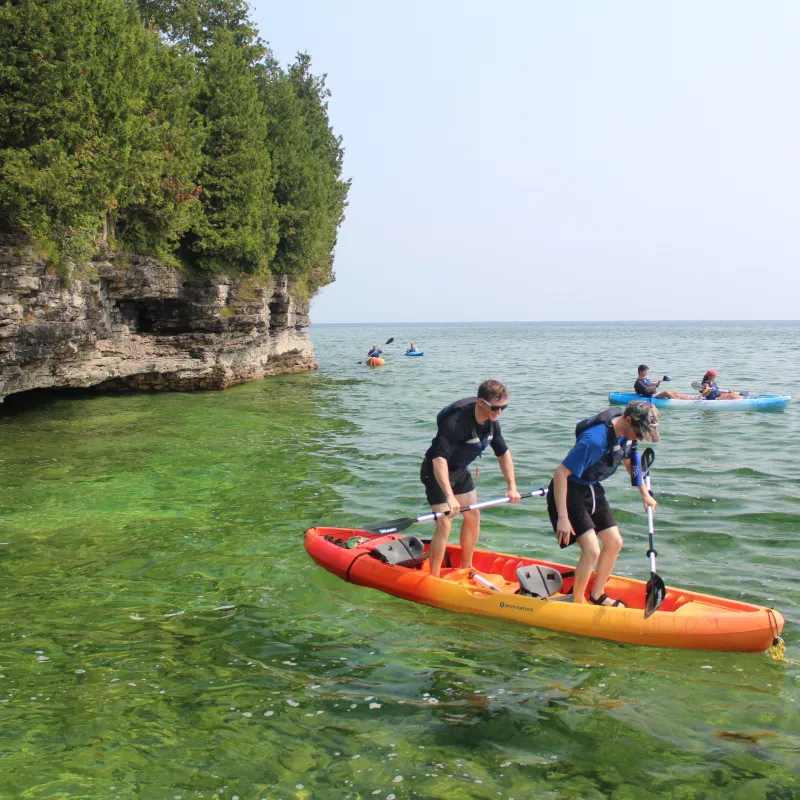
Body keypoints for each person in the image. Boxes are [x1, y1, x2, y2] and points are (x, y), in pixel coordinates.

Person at [547, 401, 660, 607]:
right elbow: (560, 474)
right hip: (569, 492)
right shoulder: (594, 441)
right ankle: (578, 603)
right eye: (640, 432)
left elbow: (628, 460)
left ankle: (597, 595)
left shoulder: (627, 433)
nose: (641, 438)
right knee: (592, 551)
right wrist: (563, 517)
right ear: (627, 420)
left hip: (592, 488)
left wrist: (644, 493)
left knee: (614, 542)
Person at [420, 379, 521, 578]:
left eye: (504, 408)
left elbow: (503, 454)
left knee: (473, 515)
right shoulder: (455, 423)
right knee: (445, 521)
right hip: (436, 472)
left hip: (460, 470)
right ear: (481, 402)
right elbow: (439, 460)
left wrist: (512, 486)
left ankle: (466, 567)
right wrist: (449, 496)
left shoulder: (492, 424)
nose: (499, 412)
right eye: (495, 408)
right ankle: (434, 577)